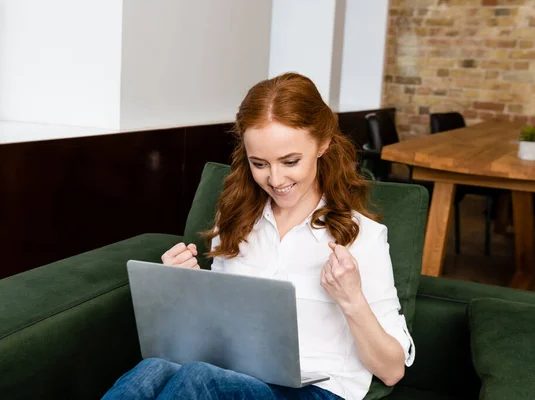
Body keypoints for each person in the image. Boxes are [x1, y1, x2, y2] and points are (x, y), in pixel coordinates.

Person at [102, 72, 415, 400]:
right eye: (259, 163)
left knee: (199, 378)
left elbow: (392, 371)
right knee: (154, 367)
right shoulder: (236, 220)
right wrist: (183, 291)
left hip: (318, 391)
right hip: (236, 377)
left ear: (322, 144)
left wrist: (351, 298)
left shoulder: (362, 235)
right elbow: (216, 334)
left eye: (290, 161)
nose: (275, 178)